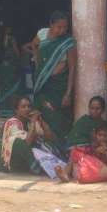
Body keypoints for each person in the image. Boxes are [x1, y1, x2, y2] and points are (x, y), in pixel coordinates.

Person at [0, 95, 68, 180]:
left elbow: (49, 137)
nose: (27, 109)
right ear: (16, 110)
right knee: (20, 143)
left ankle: (61, 167)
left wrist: (41, 120)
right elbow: (27, 142)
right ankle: (42, 169)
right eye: (23, 107)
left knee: (44, 143)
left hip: (22, 158)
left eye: (29, 106)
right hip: (6, 162)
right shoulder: (12, 123)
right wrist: (33, 121)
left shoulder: (28, 121)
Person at [32, 11, 77, 140]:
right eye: (59, 27)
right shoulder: (42, 34)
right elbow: (34, 45)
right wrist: (37, 62)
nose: (62, 30)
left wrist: (68, 93)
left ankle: (60, 144)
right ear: (51, 25)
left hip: (59, 86)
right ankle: (45, 144)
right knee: (43, 112)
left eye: (65, 27)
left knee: (59, 117)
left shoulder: (68, 42)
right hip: (43, 83)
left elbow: (72, 68)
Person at [0, 25, 21, 118]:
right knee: (10, 89)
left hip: (3, 68)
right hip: (9, 69)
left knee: (4, 89)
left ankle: (4, 111)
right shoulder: (10, 39)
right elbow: (16, 52)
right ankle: (9, 111)